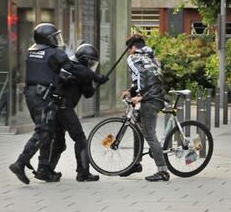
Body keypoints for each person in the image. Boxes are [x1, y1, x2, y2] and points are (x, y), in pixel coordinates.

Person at [9, 23, 73, 184]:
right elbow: (70, 68)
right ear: (47, 38)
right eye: (54, 37)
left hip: (32, 95)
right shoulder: (54, 53)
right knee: (43, 130)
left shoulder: (32, 52)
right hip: (43, 96)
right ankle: (20, 162)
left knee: (49, 130)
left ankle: (44, 169)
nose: (56, 40)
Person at [35, 43, 108, 182]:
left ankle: (47, 170)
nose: (92, 65)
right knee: (80, 138)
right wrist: (97, 78)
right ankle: (83, 173)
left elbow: (88, 93)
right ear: (85, 60)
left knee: (59, 142)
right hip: (64, 108)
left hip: (55, 108)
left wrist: (95, 83)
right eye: (91, 62)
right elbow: (84, 74)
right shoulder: (76, 68)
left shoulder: (76, 70)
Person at [119, 34, 170, 182]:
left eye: (129, 49)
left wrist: (141, 95)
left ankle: (163, 171)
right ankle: (136, 163)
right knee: (137, 127)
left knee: (149, 134)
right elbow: (149, 78)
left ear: (132, 47)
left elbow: (142, 76)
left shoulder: (133, 58)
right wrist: (131, 91)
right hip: (158, 96)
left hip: (150, 99)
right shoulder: (152, 57)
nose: (129, 52)